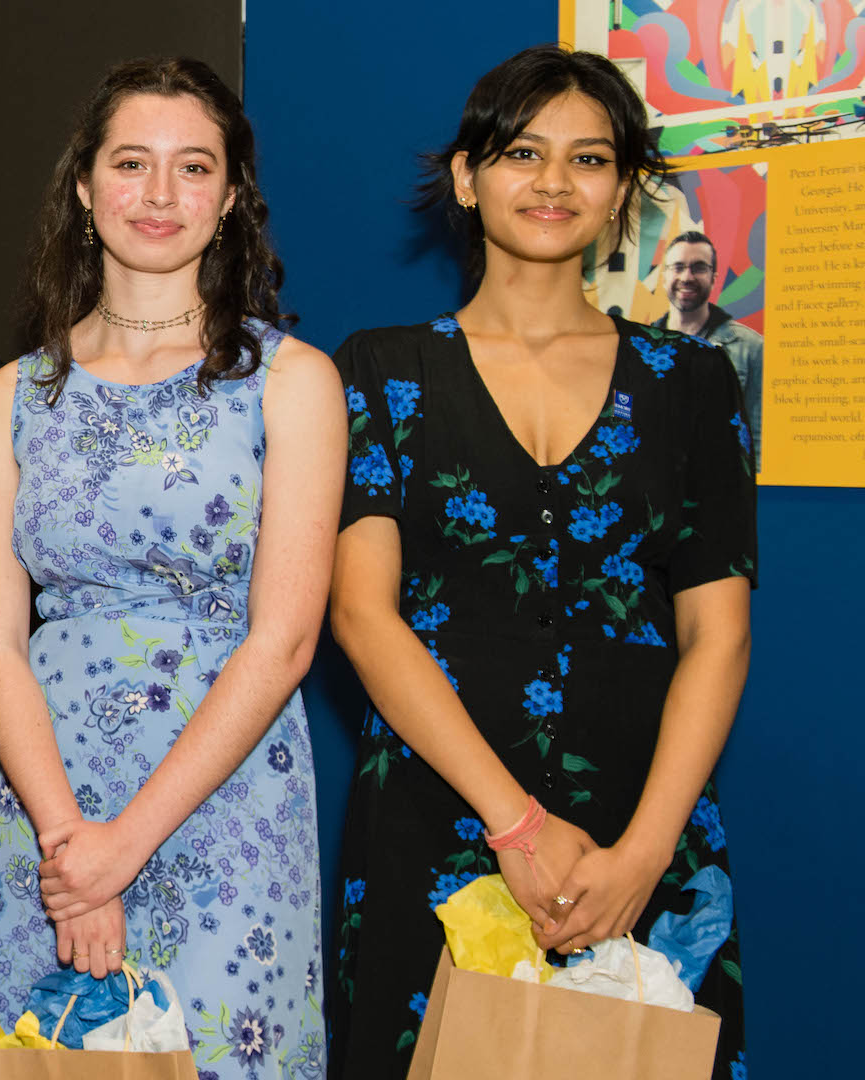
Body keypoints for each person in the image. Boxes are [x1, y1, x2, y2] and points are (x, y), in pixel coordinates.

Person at [327, 46, 754, 1079]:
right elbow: (363, 616)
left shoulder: (693, 381)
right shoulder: (382, 369)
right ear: (468, 179)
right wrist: (513, 824)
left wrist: (643, 860)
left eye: (590, 158)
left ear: (623, 193)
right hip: (437, 818)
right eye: (523, 153)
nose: (555, 183)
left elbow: (719, 632)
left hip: (640, 833)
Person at [0, 57, 344, 1077]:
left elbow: (288, 637)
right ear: (85, 189)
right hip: (52, 802)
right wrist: (71, 848)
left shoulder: (294, 384)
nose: (161, 195)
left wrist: (127, 843)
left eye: (193, 167)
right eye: (132, 163)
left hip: (226, 793)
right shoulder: (4, 401)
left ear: (230, 199)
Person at [654, 230, 763, 467]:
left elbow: (757, 440)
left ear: (714, 277)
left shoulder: (751, 347)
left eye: (699, 267)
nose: (687, 276)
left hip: (721, 489)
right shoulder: (636, 348)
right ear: (664, 276)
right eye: (678, 267)